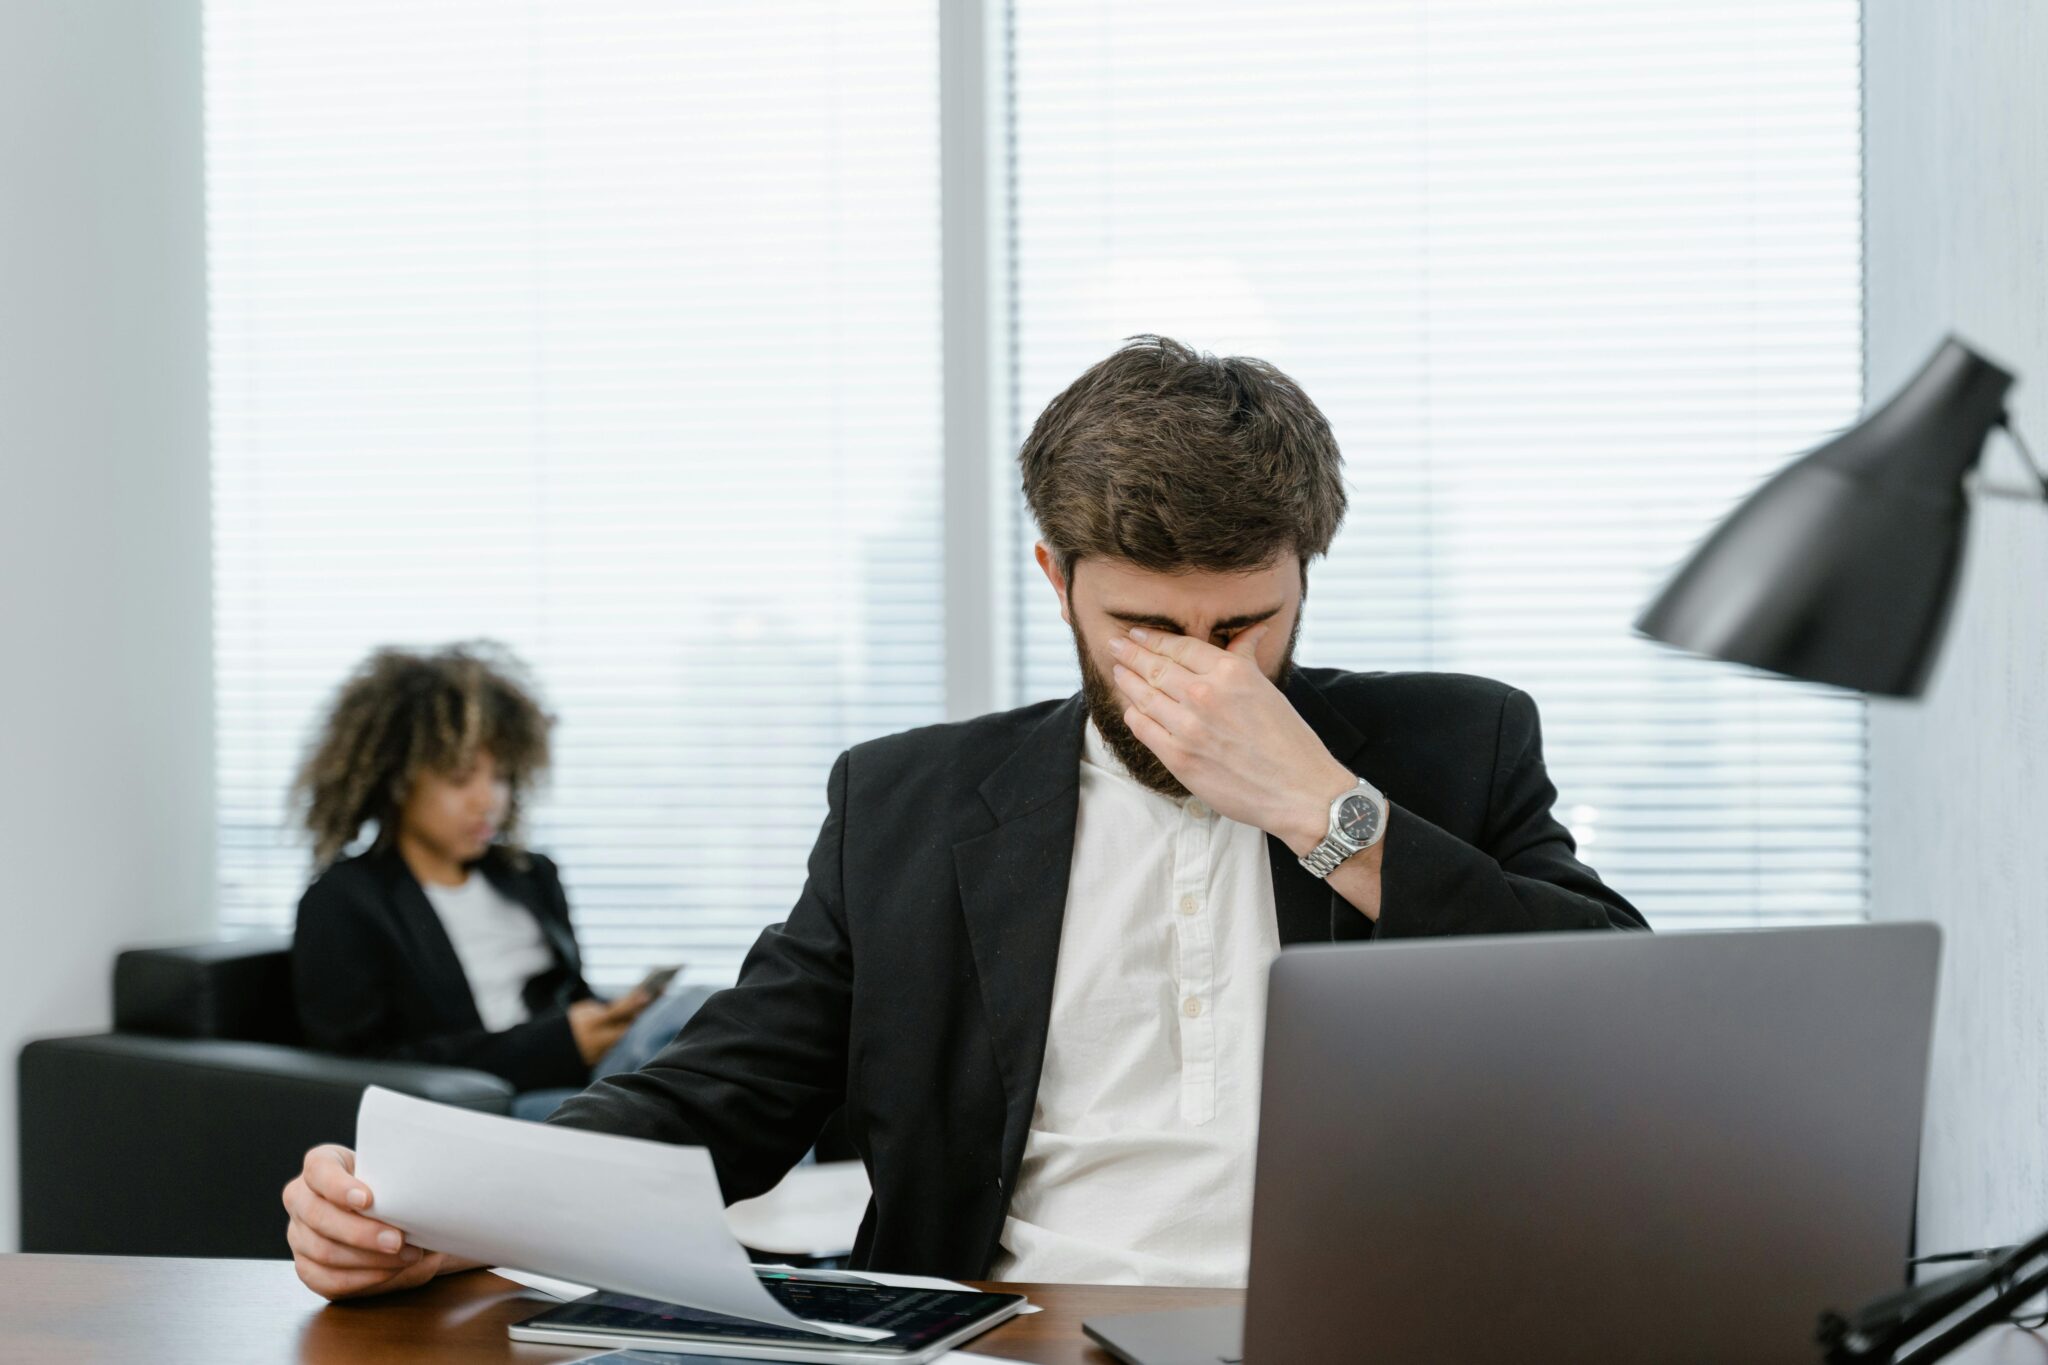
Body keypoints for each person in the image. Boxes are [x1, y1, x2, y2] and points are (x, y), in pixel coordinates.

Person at [282, 336, 1648, 1300]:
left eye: (1246, 626)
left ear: (1307, 573)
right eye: (1145, 630)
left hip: (1350, 1329)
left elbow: (1619, 1024)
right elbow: (728, 1093)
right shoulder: (907, 803)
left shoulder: (1454, 745)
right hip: (1007, 1329)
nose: (1203, 675)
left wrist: (1320, 807)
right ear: (1057, 580)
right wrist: (455, 1213)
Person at [289, 642, 700, 1120]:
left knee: (705, 1021)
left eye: (502, 777)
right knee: (703, 1045)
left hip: (589, 1081)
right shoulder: (345, 901)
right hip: (500, 1105)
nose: (488, 800)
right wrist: (558, 1044)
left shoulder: (530, 876)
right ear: (397, 780)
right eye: (462, 778)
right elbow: (364, 1070)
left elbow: (569, 997)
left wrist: (613, 1017)